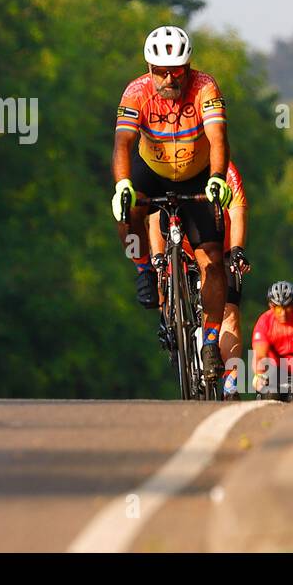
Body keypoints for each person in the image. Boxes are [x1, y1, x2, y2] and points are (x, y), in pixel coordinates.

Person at [111, 25, 232, 383]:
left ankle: (209, 341)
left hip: (196, 172)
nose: (168, 77)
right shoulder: (136, 93)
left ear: (189, 66)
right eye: (160, 70)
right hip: (153, 169)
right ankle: (144, 269)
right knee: (126, 211)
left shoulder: (205, 87)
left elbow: (218, 136)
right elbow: (122, 144)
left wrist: (217, 177)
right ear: (148, 68)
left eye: (176, 70)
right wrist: (122, 186)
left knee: (212, 260)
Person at [148, 160, 248, 399]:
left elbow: (238, 210)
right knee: (162, 278)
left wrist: (237, 250)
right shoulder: (164, 161)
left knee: (229, 314)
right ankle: (170, 321)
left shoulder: (226, 168)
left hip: (218, 251)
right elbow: (154, 216)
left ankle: (230, 386)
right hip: (179, 248)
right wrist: (159, 257)